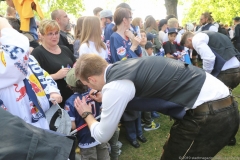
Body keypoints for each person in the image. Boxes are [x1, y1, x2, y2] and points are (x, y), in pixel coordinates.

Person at [74, 53, 239, 159]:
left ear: (92, 79)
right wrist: (107, 98)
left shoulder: (114, 86)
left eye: (87, 84)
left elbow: (102, 135)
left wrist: (86, 114)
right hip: (221, 108)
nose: (90, 89)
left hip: (210, 116)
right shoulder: (125, 66)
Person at [65, 68, 110, 160]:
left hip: (86, 138)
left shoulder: (70, 102)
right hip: (100, 131)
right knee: (104, 156)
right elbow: (102, 108)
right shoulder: (94, 92)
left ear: (69, 86)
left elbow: (73, 126)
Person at [31, 20, 76, 108]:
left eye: (56, 33)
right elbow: (34, 80)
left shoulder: (65, 49)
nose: (54, 36)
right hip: (55, 101)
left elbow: (75, 65)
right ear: (42, 35)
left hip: (73, 96)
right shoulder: (37, 53)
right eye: (50, 34)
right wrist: (55, 75)